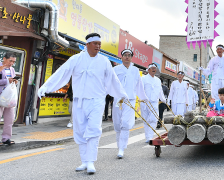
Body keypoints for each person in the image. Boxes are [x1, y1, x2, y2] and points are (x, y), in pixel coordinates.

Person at [38, 33, 128, 174]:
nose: (98, 46)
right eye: (95, 43)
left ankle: (91, 162)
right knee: (79, 131)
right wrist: (46, 87)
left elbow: (113, 80)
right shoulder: (76, 59)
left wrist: (122, 95)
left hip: (97, 101)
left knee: (93, 129)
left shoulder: (104, 61)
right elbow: (62, 72)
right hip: (79, 102)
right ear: (87, 44)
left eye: (99, 43)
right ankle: (84, 161)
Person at [113, 49, 149, 158]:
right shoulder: (115, 69)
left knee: (125, 123)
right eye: (125, 55)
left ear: (131, 57)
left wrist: (143, 97)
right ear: (122, 57)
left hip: (130, 100)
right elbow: (110, 83)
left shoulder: (135, 70)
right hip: (118, 100)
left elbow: (139, 86)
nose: (127, 57)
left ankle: (121, 149)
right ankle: (119, 145)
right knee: (118, 123)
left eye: (129, 55)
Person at [141, 63, 167, 143]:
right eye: (152, 68)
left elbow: (160, 92)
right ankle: (147, 136)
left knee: (153, 120)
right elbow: (140, 89)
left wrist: (164, 100)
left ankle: (150, 136)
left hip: (154, 103)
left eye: (155, 68)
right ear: (148, 70)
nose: (153, 69)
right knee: (146, 120)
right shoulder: (143, 78)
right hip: (145, 102)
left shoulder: (158, 80)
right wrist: (142, 98)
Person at [0, 52, 18, 146]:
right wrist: (7, 80)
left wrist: (14, 82)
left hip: (9, 98)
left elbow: (11, 81)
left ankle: (6, 138)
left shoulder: (12, 69)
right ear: (4, 59)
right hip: (0, 96)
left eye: (13, 61)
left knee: (10, 119)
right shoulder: (0, 68)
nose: (11, 63)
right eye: (10, 60)